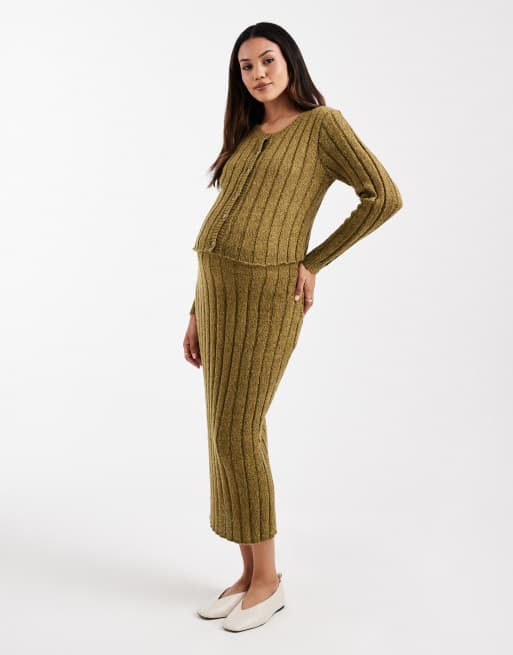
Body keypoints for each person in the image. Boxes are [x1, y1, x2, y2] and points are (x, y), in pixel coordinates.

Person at [183, 22, 403, 632]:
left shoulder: (322, 125)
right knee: (223, 433)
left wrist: (314, 261)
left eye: (267, 60)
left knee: (241, 428)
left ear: (290, 62)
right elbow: (221, 226)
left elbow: (383, 197)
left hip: (265, 297)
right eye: (246, 66)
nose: (257, 74)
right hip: (216, 296)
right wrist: (195, 312)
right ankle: (247, 573)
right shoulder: (247, 133)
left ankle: (270, 581)